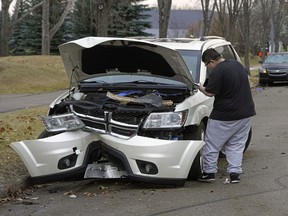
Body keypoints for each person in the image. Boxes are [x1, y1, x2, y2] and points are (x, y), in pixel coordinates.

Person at [197, 48, 256, 184]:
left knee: (212, 144)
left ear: (212, 61)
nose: (209, 68)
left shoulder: (218, 71)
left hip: (224, 116)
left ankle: (209, 173)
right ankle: (234, 174)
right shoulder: (237, 65)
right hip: (245, 114)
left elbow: (210, 92)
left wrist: (201, 88)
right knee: (236, 145)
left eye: (207, 65)